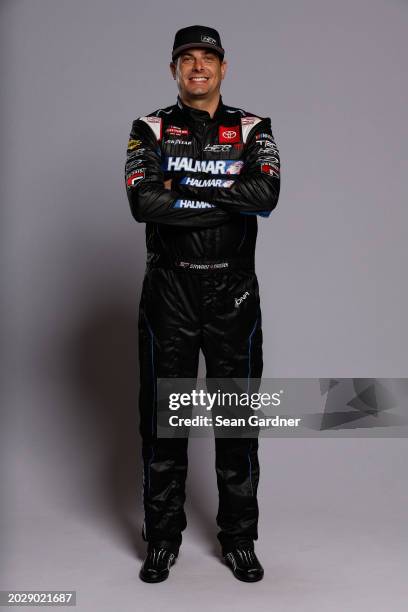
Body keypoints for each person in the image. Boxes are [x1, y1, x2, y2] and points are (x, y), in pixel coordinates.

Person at [124, 25, 280, 583]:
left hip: (234, 293)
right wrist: (226, 192)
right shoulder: (150, 127)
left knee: (237, 423)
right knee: (165, 423)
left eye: (207, 58)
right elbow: (145, 202)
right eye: (186, 59)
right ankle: (162, 539)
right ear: (173, 70)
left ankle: (239, 538)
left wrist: (183, 184)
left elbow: (265, 196)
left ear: (223, 67)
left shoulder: (253, 127)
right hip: (170, 292)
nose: (197, 67)